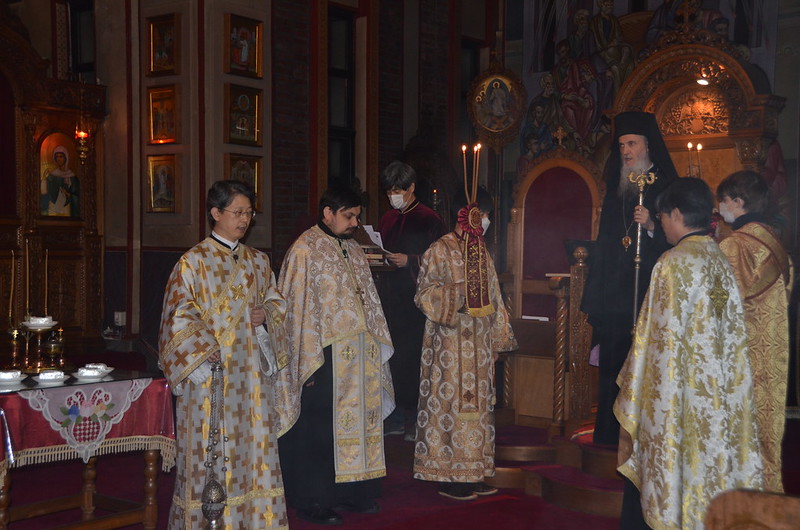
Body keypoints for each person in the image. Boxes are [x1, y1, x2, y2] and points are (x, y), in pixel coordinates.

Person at [614, 177, 764, 529]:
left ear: (677, 214)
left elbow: (656, 345)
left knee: (674, 468)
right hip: (717, 396)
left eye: (663, 216)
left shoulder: (672, 264)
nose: (662, 224)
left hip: (681, 397)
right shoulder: (719, 258)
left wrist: (634, 387)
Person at [158, 180, 288, 528]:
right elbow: (177, 317)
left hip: (251, 382)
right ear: (216, 213)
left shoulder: (259, 263)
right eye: (237, 212)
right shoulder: (192, 263)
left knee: (253, 453)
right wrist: (202, 351)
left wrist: (266, 318)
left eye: (249, 213)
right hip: (211, 381)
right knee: (211, 455)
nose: (245, 219)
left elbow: (278, 306)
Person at [276, 186, 395, 525]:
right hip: (323, 356)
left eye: (357, 216)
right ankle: (314, 499)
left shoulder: (355, 250)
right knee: (318, 429)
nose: (355, 223)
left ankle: (355, 493)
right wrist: (305, 360)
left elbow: (368, 303)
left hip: (360, 355)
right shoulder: (304, 250)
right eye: (349, 216)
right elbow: (296, 308)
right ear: (327, 213)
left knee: (359, 424)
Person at [412, 187, 518, 501]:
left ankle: (474, 472)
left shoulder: (481, 251)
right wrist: (455, 292)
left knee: (479, 410)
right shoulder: (439, 250)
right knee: (450, 409)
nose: (485, 221)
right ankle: (448, 475)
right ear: (468, 214)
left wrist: (498, 339)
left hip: (480, 348)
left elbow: (495, 296)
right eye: (483, 215)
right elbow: (423, 295)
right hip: (449, 346)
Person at [580, 110, 678, 445]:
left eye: (632, 143)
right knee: (612, 366)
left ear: (648, 146)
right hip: (615, 298)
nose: (626, 151)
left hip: (647, 293)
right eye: (622, 144)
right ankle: (608, 437)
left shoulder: (666, 186)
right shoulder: (618, 186)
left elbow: (678, 243)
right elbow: (607, 240)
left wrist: (651, 226)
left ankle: (641, 439)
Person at [717, 169, 793, 492]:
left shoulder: (735, 246)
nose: (719, 209)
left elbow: (718, 304)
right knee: (765, 426)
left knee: (738, 428)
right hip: (772, 350)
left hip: (740, 353)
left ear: (738, 201)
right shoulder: (776, 244)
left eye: (722, 201)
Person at [378, 161, 446, 439]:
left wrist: (410, 261)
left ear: (412, 188)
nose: (393, 196)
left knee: (415, 361)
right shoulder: (388, 218)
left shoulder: (430, 219)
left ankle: (416, 419)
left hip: (417, 303)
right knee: (391, 360)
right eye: (389, 191)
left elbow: (442, 262)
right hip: (390, 299)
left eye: (398, 190)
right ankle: (393, 417)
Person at [41, 145, 80, 217]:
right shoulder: (51, 176)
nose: (58, 159)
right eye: (57, 157)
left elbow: (78, 194)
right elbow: (45, 192)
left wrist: (68, 194)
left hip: (67, 208)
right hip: (53, 208)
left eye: (61, 156)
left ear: (66, 158)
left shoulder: (72, 176)